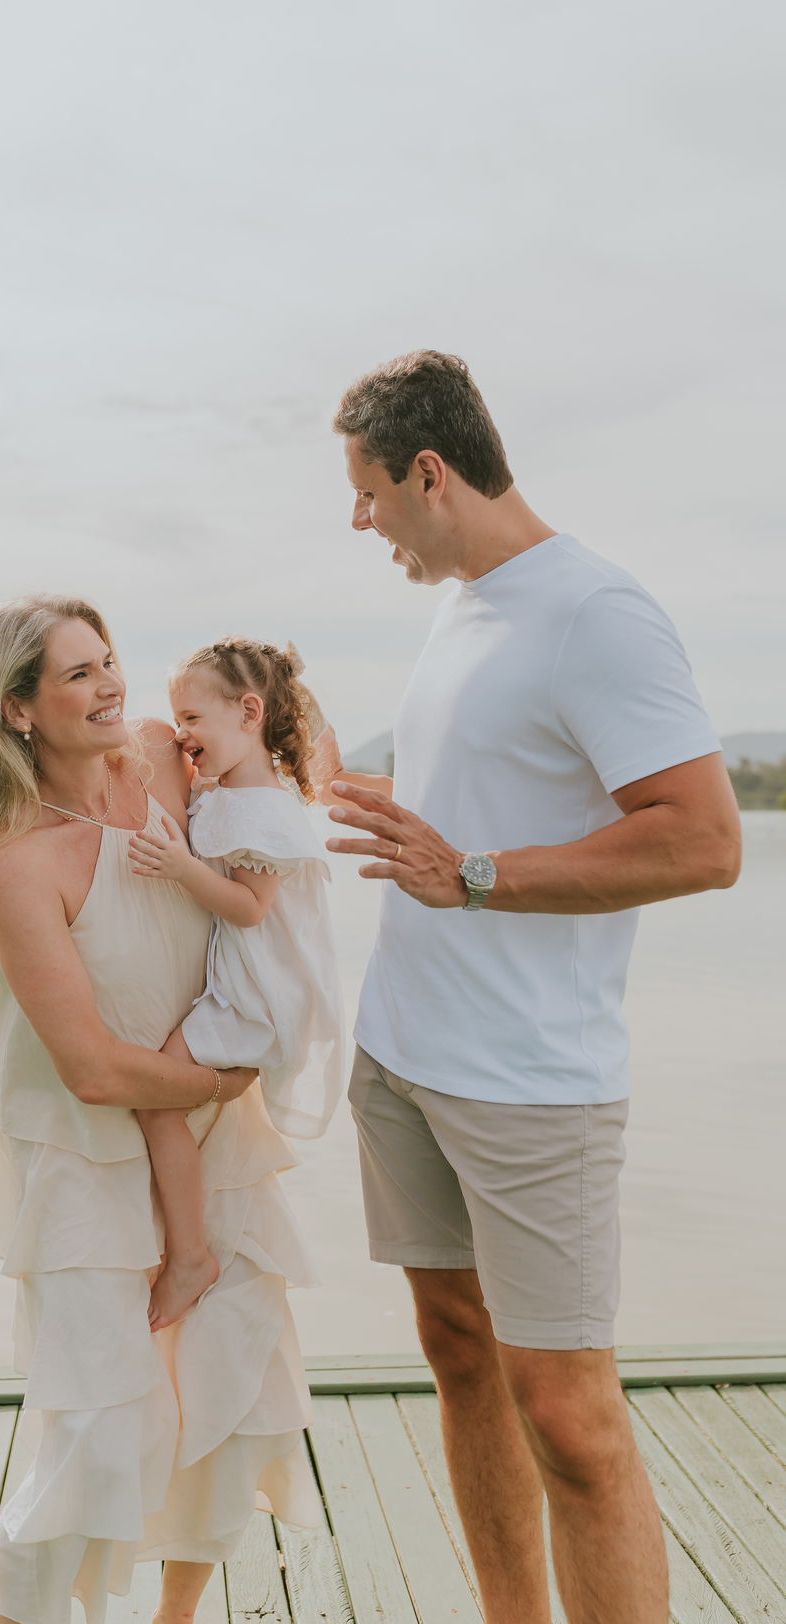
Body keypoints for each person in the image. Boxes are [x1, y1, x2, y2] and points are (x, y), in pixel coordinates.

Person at [315, 351, 741, 1624]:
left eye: (368, 493)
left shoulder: (595, 611)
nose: (360, 521)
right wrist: (354, 795)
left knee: (570, 1417)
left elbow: (703, 840)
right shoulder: (464, 605)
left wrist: (474, 875)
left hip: (532, 1086)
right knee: (459, 1356)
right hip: (405, 1056)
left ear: (429, 473)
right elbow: (483, 799)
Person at [0, 595, 322, 1624]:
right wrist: (219, 1082)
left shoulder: (160, 755)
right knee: (102, 1429)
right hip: (88, 1157)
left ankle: (174, 1618)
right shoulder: (7, 858)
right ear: (16, 709)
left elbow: (264, 784)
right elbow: (94, 1071)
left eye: (107, 660)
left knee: (232, 1393)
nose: (110, 684)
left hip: (214, 1144)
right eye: (78, 673)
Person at [126, 636, 343, 1330]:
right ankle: (187, 1241)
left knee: (157, 1100)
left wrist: (179, 867)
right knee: (164, 1099)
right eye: (176, 719)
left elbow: (250, 908)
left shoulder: (267, 812)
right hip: (240, 984)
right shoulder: (227, 793)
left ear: (249, 713)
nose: (181, 734)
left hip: (258, 998)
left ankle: (191, 1257)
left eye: (192, 718)